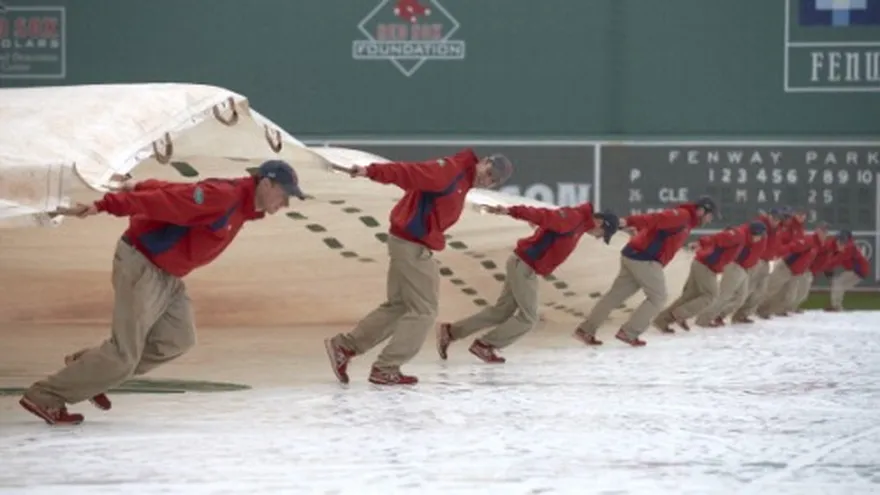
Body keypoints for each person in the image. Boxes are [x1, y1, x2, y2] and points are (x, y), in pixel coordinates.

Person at [20, 160, 305, 425]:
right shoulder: (225, 196)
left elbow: (180, 191)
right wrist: (105, 205)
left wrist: (140, 184)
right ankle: (46, 396)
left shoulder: (240, 203)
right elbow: (167, 202)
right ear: (266, 185)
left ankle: (90, 370)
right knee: (123, 355)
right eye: (284, 194)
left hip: (168, 275)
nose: (286, 202)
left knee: (178, 339)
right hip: (143, 265)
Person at [324, 149, 513, 385]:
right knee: (424, 310)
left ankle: (345, 347)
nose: (488, 179)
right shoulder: (450, 172)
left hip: (407, 242)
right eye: (490, 172)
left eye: (494, 180)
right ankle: (386, 367)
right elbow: (410, 172)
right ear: (484, 162)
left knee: (400, 305)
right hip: (412, 245)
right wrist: (370, 171)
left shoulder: (462, 180)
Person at [436, 202, 620, 363]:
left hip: (522, 264)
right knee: (529, 317)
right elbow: (542, 215)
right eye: (602, 233)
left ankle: (451, 332)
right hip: (524, 266)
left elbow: (550, 227)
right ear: (600, 223)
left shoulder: (579, 223)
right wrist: (510, 211)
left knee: (501, 311)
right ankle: (485, 345)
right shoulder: (573, 218)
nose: (597, 237)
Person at [572, 196, 718, 347]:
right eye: (710, 215)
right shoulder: (682, 216)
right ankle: (629, 332)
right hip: (644, 258)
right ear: (702, 210)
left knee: (614, 297)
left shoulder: (686, 220)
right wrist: (627, 221)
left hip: (634, 255)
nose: (710, 220)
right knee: (658, 297)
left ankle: (585, 330)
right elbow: (654, 219)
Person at [654, 222, 758, 332]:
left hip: (701, 264)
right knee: (711, 295)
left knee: (690, 296)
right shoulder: (739, 235)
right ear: (754, 234)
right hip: (706, 266)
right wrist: (700, 242)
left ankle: (662, 320)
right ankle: (680, 314)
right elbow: (718, 238)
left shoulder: (741, 238)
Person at [695, 221, 768, 327]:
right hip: (734, 266)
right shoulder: (741, 235)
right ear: (752, 233)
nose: (759, 238)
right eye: (758, 235)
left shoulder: (756, 238)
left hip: (745, 269)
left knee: (741, 297)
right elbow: (721, 237)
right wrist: (701, 242)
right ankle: (703, 319)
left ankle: (719, 315)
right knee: (724, 295)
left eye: (761, 236)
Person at [757, 222, 828, 318]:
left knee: (789, 296)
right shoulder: (809, 240)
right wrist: (783, 257)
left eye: (825, 232)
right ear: (817, 231)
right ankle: (755, 308)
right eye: (822, 231)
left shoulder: (818, 245)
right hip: (786, 267)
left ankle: (769, 310)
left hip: (796, 273)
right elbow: (794, 248)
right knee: (771, 289)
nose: (824, 234)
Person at [730, 208, 785, 324]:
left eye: (778, 219)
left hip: (767, 262)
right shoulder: (760, 225)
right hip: (756, 260)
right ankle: (730, 313)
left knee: (761, 291)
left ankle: (743, 314)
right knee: (747, 289)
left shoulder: (778, 230)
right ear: (769, 216)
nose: (776, 221)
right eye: (774, 218)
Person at [826, 230, 870, 311]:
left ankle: (836, 306)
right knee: (839, 284)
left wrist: (826, 266)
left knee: (838, 283)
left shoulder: (849, 247)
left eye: (839, 240)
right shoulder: (848, 245)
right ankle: (836, 305)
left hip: (858, 271)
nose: (837, 242)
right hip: (856, 271)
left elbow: (837, 260)